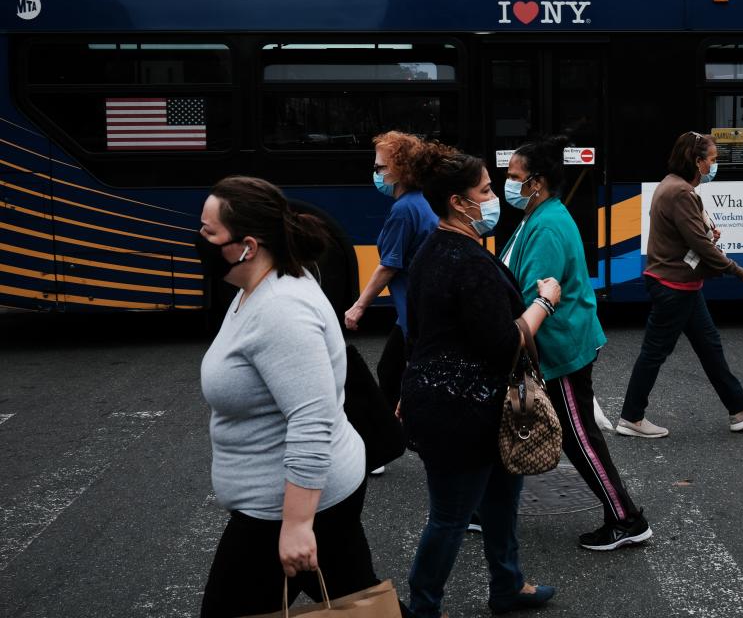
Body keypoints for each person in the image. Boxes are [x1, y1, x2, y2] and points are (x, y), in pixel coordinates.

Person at [196, 176, 389, 617]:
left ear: (246, 245)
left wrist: (298, 525)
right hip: (302, 500)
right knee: (356, 602)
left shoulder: (281, 309)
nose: (199, 240)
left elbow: (312, 419)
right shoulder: (259, 286)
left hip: (285, 510)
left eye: (209, 233)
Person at [401, 145, 560, 618]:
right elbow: (502, 341)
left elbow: (422, 330)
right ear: (458, 201)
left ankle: (508, 586)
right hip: (463, 410)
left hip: (464, 403)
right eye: (486, 190)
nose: (494, 198)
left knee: (499, 501)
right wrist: (544, 303)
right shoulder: (467, 260)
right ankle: (424, 607)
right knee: (451, 516)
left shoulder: (434, 248)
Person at [499, 135, 652, 551]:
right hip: (558, 343)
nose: (506, 185)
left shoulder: (546, 225)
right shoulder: (538, 215)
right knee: (569, 431)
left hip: (560, 349)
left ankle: (627, 518)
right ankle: (485, 510)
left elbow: (535, 297)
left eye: (514, 177)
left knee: (579, 436)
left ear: (537, 181)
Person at [617, 132, 743, 438]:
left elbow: (690, 239)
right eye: (712, 160)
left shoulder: (673, 185)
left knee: (710, 348)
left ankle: (740, 409)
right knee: (654, 352)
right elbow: (700, 248)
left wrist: (706, 237)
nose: (714, 165)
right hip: (673, 287)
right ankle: (631, 418)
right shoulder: (681, 193)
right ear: (696, 160)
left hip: (682, 285)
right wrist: (738, 271)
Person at [344, 131, 439, 476]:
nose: (376, 172)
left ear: (400, 169)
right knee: (391, 373)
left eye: (381, 166)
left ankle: (388, 447)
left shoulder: (403, 210)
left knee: (406, 380)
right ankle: (381, 446)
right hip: (413, 312)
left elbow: (388, 265)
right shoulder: (417, 202)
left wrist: (358, 307)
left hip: (415, 314)